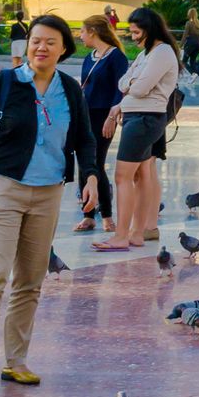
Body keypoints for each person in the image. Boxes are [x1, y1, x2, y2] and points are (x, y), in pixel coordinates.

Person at [0, 13, 99, 396]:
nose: (41, 47)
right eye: (36, 40)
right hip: (2, 188)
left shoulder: (70, 90)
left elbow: (85, 138)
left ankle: (15, 361)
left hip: (48, 192)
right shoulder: (5, 83)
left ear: (63, 49)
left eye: (51, 42)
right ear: (26, 45)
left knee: (31, 282)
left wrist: (91, 176)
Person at [97, 6, 179, 251]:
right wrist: (132, 83)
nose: (132, 37)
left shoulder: (162, 52)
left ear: (149, 29)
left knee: (123, 176)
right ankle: (135, 234)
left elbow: (140, 88)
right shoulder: (147, 53)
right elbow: (123, 83)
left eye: (136, 32)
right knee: (139, 176)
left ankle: (122, 235)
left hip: (145, 119)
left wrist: (132, 83)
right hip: (138, 117)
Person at [75, 14, 126, 235]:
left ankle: (106, 215)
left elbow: (121, 88)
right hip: (85, 114)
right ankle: (87, 215)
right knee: (83, 162)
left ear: (93, 32)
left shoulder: (116, 57)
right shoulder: (89, 57)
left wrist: (112, 116)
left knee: (96, 162)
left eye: (83, 31)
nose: (80, 35)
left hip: (104, 114)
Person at [181, 10, 199, 79]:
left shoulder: (188, 23)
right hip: (197, 44)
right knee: (192, 61)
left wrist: (180, 45)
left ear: (189, 14)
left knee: (183, 61)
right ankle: (194, 76)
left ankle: (193, 74)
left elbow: (185, 35)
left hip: (190, 44)